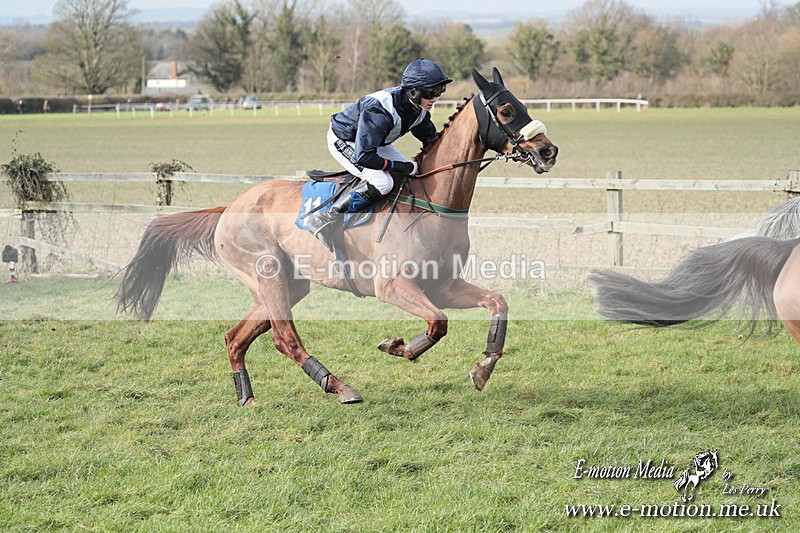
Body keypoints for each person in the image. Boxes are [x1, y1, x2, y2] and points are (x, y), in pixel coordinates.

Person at [305, 58, 452, 251]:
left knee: (413, 172)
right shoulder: (380, 110)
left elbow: (431, 141)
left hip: (374, 143)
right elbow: (364, 157)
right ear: (414, 92)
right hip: (345, 141)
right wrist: (399, 166)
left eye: (440, 91)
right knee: (383, 182)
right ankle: (325, 218)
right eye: (432, 92)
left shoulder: (419, 110)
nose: (436, 98)